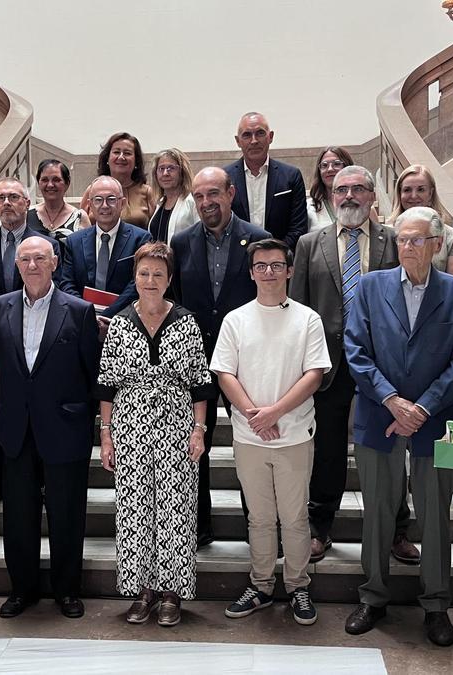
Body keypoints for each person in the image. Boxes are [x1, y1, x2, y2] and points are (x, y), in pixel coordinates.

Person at [343, 206, 453, 647]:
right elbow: (356, 349)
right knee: (378, 510)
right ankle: (373, 595)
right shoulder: (369, 286)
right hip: (379, 416)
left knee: (435, 515)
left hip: (433, 421)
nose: (407, 247)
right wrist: (392, 400)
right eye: (402, 239)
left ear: (437, 244)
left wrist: (421, 407)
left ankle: (436, 605)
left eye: (417, 239)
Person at [289, 165, 415, 566]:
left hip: (383, 365)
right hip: (329, 365)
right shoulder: (311, 244)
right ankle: (319, 528)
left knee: (389, 449)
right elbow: (299, 309)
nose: (348, 196)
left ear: (372, 196)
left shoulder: (394, 242)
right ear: (330, 195)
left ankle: (397, 530)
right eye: (341, 189)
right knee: (327, 450)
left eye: (358, 189)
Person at [211, 238, 331, 627]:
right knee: (260, 519)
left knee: (295, 518)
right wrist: (252, 414)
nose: (268, 272)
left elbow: (314, 374)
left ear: (290, 270)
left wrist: (275, 412)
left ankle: (298, 586)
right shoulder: (236, 319)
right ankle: (261, 585)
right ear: (251, 272)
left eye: (276, 265)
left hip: (294, 434)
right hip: (249, 437)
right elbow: (224, 372)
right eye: (261, 266)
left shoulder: (307, 319)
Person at [95, 242, 214, 627]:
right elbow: (107, 385)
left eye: (158, 274)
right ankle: (142, 590)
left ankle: (171, 592)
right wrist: (107, 435)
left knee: (176, 512)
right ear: (135, 277)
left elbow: (199, 383)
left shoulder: (186, 322)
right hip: (129, 428)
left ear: (169, 280)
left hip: (177, 429)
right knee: (134, 512)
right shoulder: (120, 324)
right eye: (144, 273)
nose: (150, 280)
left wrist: (199, 430)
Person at [0, 236, 100, 620]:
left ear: (54, 263)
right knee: (18, 514)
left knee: (68, 512)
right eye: (25, 259)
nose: (32, 265)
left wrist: (87, 421)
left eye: (40, 258)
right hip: (16, 427)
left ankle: (67, 590)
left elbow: (92, 372)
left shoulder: (79, 311)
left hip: (65, 425)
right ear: (16, 265)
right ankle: (22, 589)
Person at [170, 167, 270, 548]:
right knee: (195, 445)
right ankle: (199, 525)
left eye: (214, 194)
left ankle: (256, 526)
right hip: (195, 360)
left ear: (230, 193)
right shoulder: (180, 243)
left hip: (245, 361)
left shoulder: (258, 240)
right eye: (199, 197)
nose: (206, 203)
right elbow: (175, 299)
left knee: (251, 446)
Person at [0, 177, 69, 505]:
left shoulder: (46, 243)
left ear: (27, 203)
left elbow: (60, 284)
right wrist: (0, 315)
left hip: (40, 341)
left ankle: (40, 475)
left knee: (39, 406)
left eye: (14, 197)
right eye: (0, 198)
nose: (7, 203)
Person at [61, 177, 153, 326]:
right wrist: (87, 314)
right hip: (81, 323)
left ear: (122, 203)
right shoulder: (74, 241)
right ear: (90, 205)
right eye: (98, 200)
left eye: (111, 199)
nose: (104, 205)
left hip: (126, 324)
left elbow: (137, 284)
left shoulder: (141, 239)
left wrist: (106, 317)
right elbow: (67, 284)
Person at [224, 112, 309, 248]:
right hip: (236, 261)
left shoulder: (291, 176)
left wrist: (275, 255)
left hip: (279, 262)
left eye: (260, 133)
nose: (254, 141)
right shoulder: (225, 177)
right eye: (247, 135)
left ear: (271, 137)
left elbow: (298, 228)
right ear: (238, 141)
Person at [388, 164, 453, 276]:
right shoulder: (388, 234)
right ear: (400, 194)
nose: (413, 196)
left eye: (421, 189)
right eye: (407, 190)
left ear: (430, 193)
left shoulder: (450, 236)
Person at [80, 132, 154, 228]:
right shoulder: (92, 190)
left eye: (127, 153)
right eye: (116, 152)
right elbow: (81, 226)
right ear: (107, 158)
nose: (121, 157)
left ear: (136, 161)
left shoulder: (147, 192)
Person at [27, 159, 89, 243]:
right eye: (44, 180)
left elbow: (87, 250)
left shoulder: (80, 217)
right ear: (38, 183)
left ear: (67, 183)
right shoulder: (26, 215)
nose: (50, 185)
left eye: (56, 180)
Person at [147, 148, 198, 244]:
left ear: (182, 172)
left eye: (171, 168)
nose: (165, 173)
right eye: (161, 169)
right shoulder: (160, 202)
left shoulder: (192, 202)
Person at [306, 146, 354, 232]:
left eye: (336, 164)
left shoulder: (362, 204)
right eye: (324, 165)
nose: (330, 169)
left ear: (347, 167)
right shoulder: (308, 207)